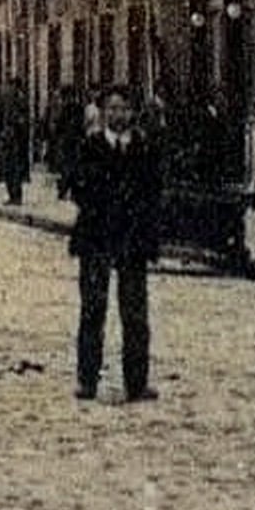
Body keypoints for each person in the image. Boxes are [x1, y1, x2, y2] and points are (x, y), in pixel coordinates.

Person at [63, 82, 166, 402]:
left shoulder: (144, 148)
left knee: (135, 312)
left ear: (132, 113)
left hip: (132, 238)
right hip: (96, 236)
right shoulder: (89, 146)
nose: (117, 114)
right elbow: (77, 187)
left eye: (123, 108)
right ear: (103, 112)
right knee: (93, 309)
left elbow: (154, 192)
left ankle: (137, 381)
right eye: (111, 108)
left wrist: (145, 229)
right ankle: (87, 379)